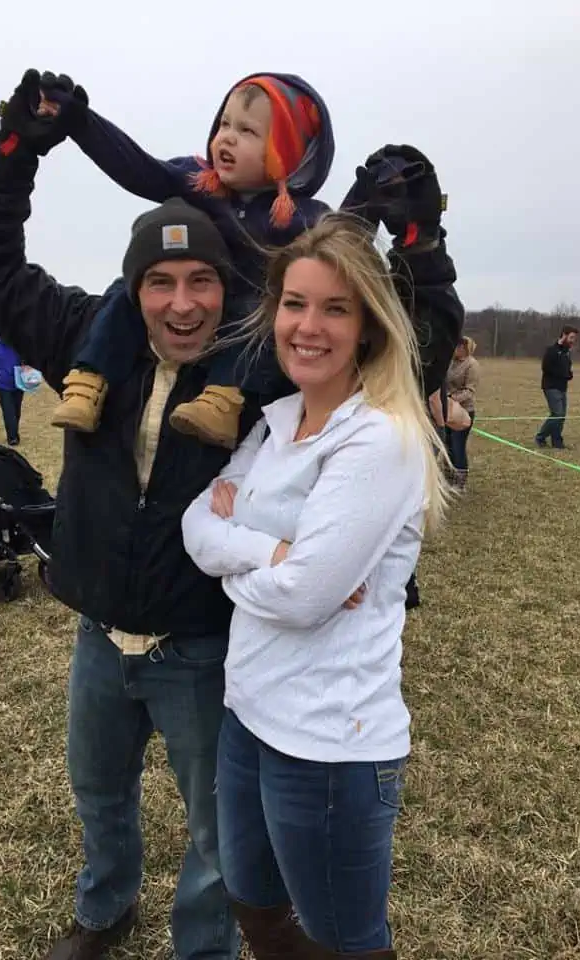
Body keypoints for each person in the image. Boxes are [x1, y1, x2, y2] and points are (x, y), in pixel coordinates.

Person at [0, 70, 461, 960]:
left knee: (215, 834)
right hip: (99, 637)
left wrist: (420, 239)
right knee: (99, 799)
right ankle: (103, 909)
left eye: (201, 281)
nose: (181, 303)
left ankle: (203, 948)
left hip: (206, 646)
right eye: (158, 282)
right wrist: (16, 151)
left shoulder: (264, 367)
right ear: (132, 288)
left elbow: (394, 331)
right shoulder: (82, 334)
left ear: (231, 289)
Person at [182, 214, 449, 960]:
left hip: (331, 744)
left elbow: (302, 599)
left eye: (335, 308)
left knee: (345, 942)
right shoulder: (276, 422)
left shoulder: (378, 438)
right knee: (255, 907)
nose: (308, 325)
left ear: (367, 325)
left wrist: (265, 572)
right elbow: (195, 524)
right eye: (295, 303)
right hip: (248, 713)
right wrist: (274, 551)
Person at [26, 69, 454, 448]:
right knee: (128, 289)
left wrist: (373, 196)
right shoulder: (198, 182)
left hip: (248, 326)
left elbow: (341, 243)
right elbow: (138, 169)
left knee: (260, 315)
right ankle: (87, 381)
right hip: (192, 304)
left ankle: (221, 402)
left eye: (248, 132)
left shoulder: (302, 216)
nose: (226, 137)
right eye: (224, 124)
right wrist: (80, 122)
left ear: (287, 153)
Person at [534, 325, 578, 450]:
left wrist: (569, 374)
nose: (572, 341)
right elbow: (546, 367)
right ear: (564, 335)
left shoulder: (567, 352)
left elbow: (567, 369)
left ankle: (557, 441)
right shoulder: (552, 350)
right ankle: (540, 437)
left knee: (561, 415)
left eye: (574, 338)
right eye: (571, 337)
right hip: (551, 386)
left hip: (562, 387)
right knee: (557, 414)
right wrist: (563, 374)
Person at [446, 336, 480, 487]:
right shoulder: (450, 362)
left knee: (458, 444)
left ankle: (460, 481)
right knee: (448, 444)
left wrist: (452, 398)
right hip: (447, 409)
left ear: (466, 349)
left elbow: (470, 390)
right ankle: (449, 474)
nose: (456, 349)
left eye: (459, 347)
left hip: (464, 410)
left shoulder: (472, 365)